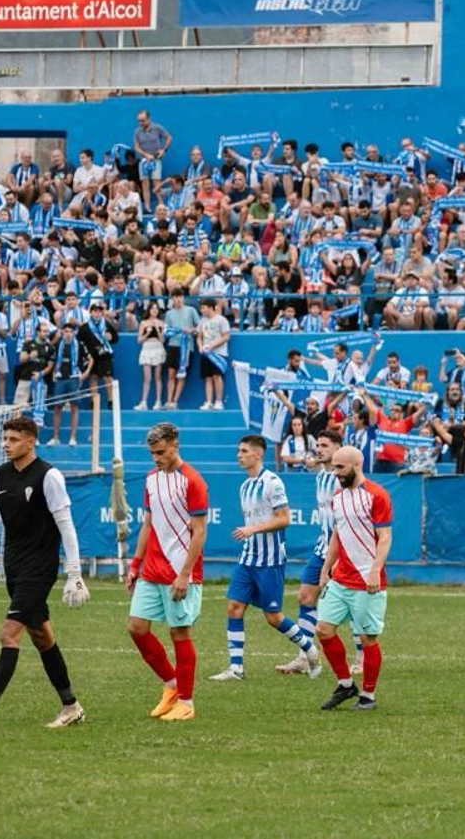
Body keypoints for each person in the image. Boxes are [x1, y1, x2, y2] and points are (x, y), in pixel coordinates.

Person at [0, 415, 88, 732]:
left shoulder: (49, 476)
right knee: (42, 637)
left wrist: (74, 573)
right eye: (4, 439)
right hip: (14, 567)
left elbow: (66, 526)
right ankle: (71, 706)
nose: (5, 444)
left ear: (31, 441)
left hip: (40, 569)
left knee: (9, 634)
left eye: (13, 439)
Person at [125, 422, 210, 721]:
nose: (156, 458)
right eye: (152, 453)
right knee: (136, 627)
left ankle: (186, 703)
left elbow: (199, 532)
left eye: (160, 452)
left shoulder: (193, 481)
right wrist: (135, 564)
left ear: (175, 445)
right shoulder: (151, 479)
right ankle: (171, 685)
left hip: (179, 570)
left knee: (179, 632)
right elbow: (148, 524)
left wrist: (185, 574)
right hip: (151, 569)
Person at [208, 435, 310, 681]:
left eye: (244, 451)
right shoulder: (244, 486)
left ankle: (309, 651)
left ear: (258, 454)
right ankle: (236, 669)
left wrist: (252, 529)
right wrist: (250, 533)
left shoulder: (273, 482)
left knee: (273, 617)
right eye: (239, 450)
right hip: (248, 557)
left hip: (270, 559)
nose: (239, 455)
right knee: (234, 607)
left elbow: (284, 519)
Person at [314, 445, 392, 711]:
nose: (335, 472)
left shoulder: (377, 495)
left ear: (356, 465)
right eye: (333, 467)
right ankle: (346, 684)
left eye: (340, 467)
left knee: (368, 638)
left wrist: (375, 570)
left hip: (367, 581)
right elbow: (338, 534)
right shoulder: (337, 497)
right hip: (340, 578)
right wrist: (326, 569)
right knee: (323, 629)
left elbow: (385, 537)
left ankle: (368, 696)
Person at [274, 429, 343, 678]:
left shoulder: (342, 479)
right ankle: (305, 657)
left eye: (325, 445)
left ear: (338, 449)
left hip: (343, 552)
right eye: (318, 445)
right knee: (305, 597)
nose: (319, 449)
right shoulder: (321, 477)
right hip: (322, 548)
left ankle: (361, 657)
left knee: (353, 604)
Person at [197, 297, 231, 410]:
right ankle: (208, 402)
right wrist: (200, 346)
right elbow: (199, 336)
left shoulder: (222, 320)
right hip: (206, 354)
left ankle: (219, 401)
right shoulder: (202, 321)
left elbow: (226, 336)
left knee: (217, 376)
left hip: (218, 354)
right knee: (208, 378)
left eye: (203, 308)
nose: (202, 310)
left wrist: (212, 345)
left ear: (210, 307)